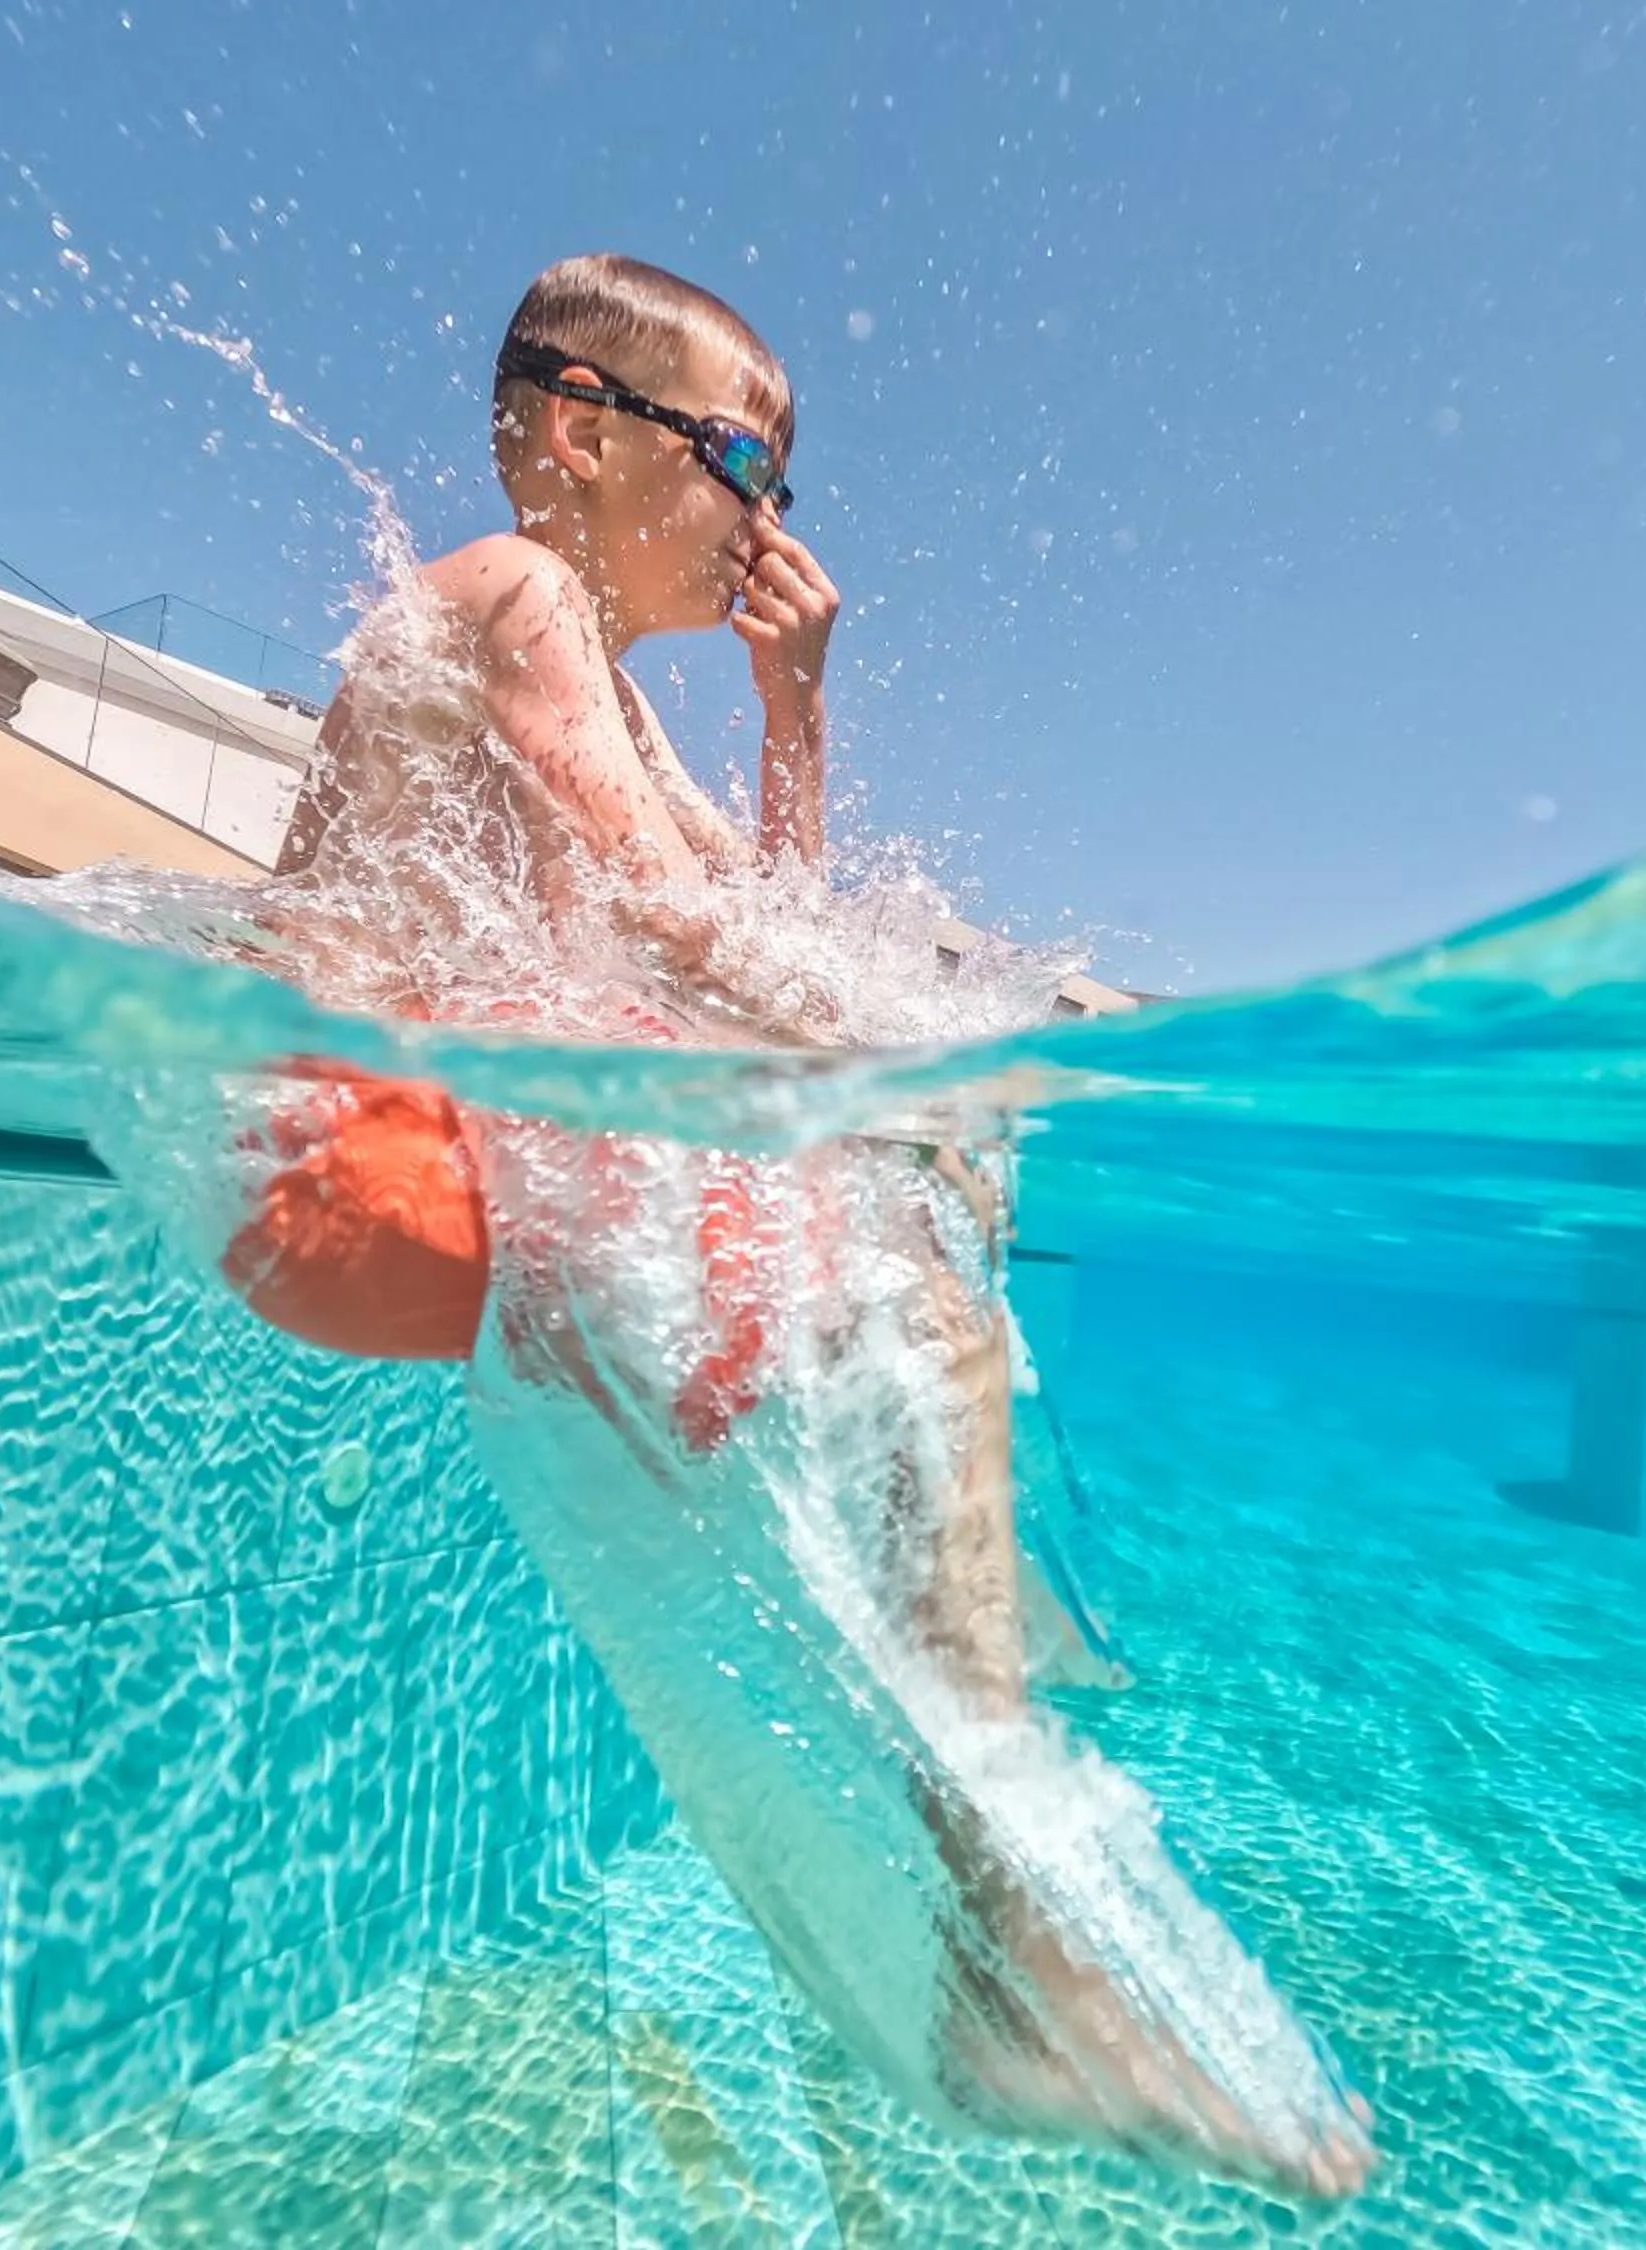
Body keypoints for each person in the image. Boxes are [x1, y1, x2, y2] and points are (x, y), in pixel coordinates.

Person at [257, 254, 1371, 2197]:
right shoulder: (515, 589)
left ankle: (982, 1775)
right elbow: (656, 922)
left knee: (891, 1291)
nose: (777, 519)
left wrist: (795, 708)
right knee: (903, 1303)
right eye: (750, 460)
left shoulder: (595, 674)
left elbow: (750, 902)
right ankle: (1009, 1933)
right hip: (341, 1162)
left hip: (406, 1167)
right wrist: (946, 1061)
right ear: (587, 428)